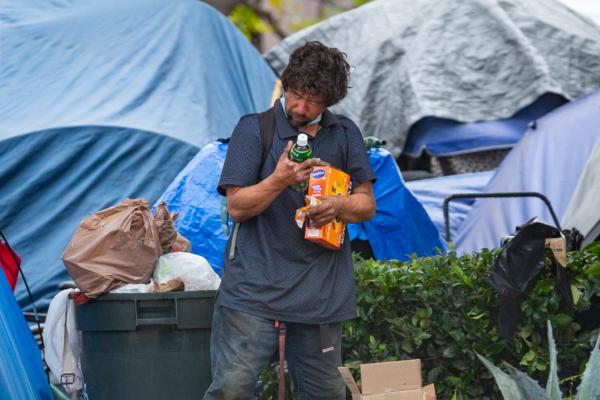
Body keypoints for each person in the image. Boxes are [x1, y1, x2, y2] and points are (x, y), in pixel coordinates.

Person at [204, 41, 376, 400]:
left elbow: (366, 205)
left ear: (330, 100)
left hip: (321, 293)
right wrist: (279, 179)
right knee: (232, 391)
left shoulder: (345, 134)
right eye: (296, 94)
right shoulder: (254, 129)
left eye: (312, 100)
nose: (300, 106)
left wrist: (337, 205)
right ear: (286, 84)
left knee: (326, 393)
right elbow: (237, 206)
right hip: (253, 289)